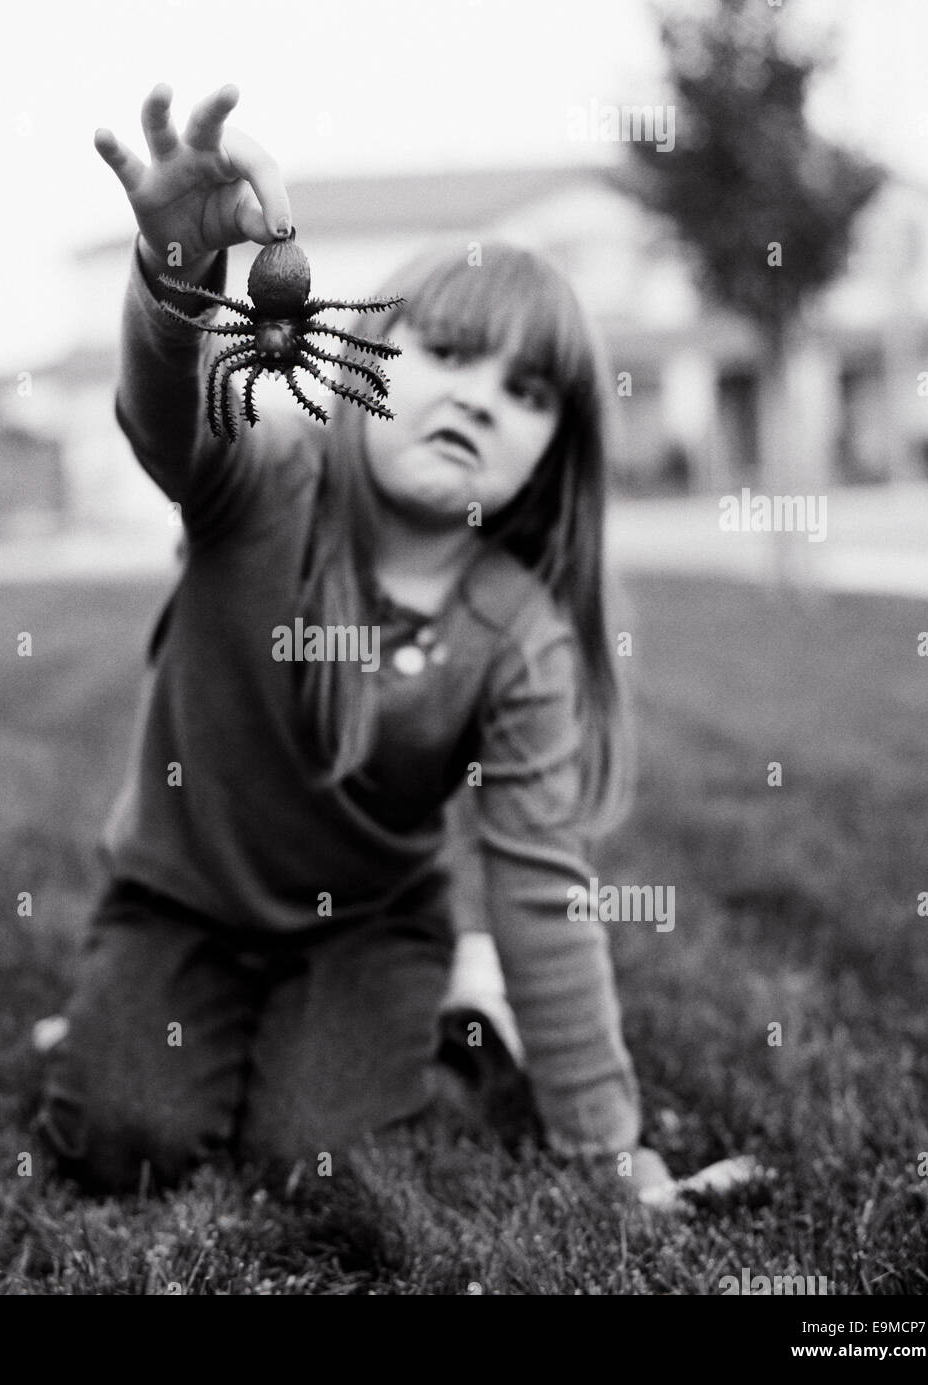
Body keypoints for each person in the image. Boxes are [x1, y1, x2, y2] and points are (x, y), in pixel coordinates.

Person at [36, 81, 673, 1201]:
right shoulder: (263, 472)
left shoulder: (516, 629)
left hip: (365, 925)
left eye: (526, 392)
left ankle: (453, 1003)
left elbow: (540, 886)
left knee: (311, 1155)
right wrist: (178, 281)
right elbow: (161, 416)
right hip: (179, 896)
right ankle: (126, 1008)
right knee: (125, 1140)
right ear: (364, 357)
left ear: (553, 453)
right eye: (450, 354)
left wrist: (605, 1144)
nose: (481, 399)